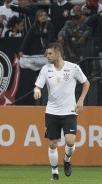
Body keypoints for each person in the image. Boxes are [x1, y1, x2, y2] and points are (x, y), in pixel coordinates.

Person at [33, 42, 90, 180]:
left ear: (58, 53)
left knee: (70, 142)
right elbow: (38, 86)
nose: (47, 56)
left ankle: (66, 160)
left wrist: (81, 100)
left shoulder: (73, 68)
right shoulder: (46, 69)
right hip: (52, 111)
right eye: (47, 53)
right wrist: (37, 90)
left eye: (50, 53)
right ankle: (54, 172)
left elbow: (86, 83)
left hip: (70, 111)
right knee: (53, 144)